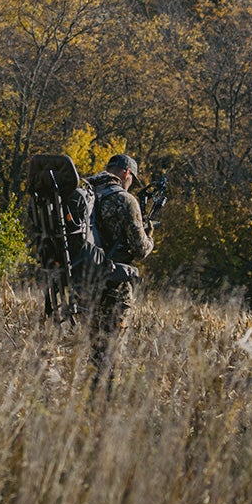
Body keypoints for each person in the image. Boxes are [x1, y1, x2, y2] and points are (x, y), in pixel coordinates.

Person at [86, 152, 154, 371]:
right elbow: (140, 249)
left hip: (86, 282)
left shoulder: (89, 192)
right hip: (113, 287)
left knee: (96, 348)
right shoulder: (125, 200)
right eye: (132, 178)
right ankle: (105, 398)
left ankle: (92, 392)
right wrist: (150, 235)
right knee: (111, 350)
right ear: (127, 173)